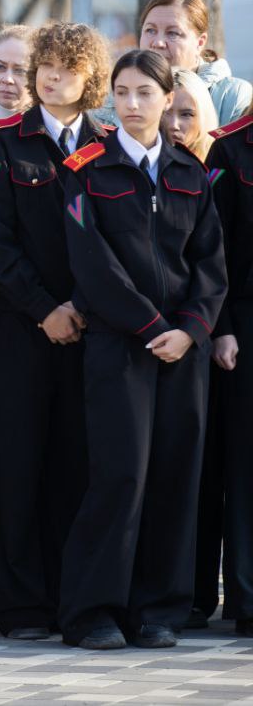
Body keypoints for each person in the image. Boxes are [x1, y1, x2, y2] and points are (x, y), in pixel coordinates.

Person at [59, 49, 226, 650]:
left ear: (167, 99)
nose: (132, 104)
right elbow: (92, 264)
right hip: (120, 346)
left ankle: (158, 608)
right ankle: (93, 611)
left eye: (145, 93)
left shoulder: (191, 172)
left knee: (174, 476)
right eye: (123, 92)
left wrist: (190, 329)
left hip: (184, 351)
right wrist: (151, 325)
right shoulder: (85, 169)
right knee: (121, 475)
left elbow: (210, 265)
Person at [0, 22, 112, 640]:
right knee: (16, 463)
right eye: (45, 66)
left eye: (67, 68)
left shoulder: (106, 144)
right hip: (21, 329)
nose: (52, 77)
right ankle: (21, 604)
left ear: (90, 78)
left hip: (91, 328)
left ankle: (70, 595)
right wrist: (44, 309)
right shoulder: (5, 141)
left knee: (77, 462)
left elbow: (117, 239)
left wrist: (81, 306)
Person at [205, 105, 253, 636]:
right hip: (244, 321)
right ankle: (248, 598)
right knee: (246, 464)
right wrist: (220, 326)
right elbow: (211, 248)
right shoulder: (231, 147)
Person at [138, 0, 251, 125]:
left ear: (200, 42)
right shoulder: (121, 95)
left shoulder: (233, 97)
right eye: (150, 30)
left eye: (173, 33)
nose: (158, 43)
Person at [163, 69, 218, 162]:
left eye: (186, 114)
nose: (173, 125)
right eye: (165, 112)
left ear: (204, 118)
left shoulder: (220, 164)